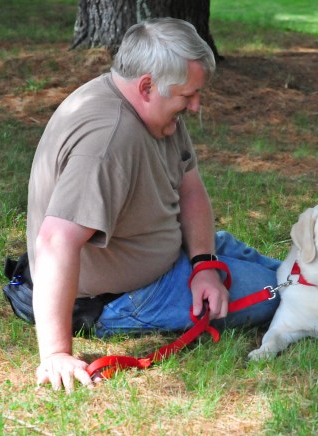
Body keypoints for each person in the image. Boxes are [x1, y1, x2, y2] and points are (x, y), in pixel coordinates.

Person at [26, 18, 281, 393]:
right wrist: (56, 353)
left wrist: (204, 266)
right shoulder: (108, 142)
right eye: (187, 96)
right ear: (146, 86)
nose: (195, 107)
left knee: (301, 275)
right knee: (276, 292)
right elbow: (54, 241)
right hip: (124, 297)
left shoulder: (159, 113)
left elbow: (190, 189)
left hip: (174, 252)